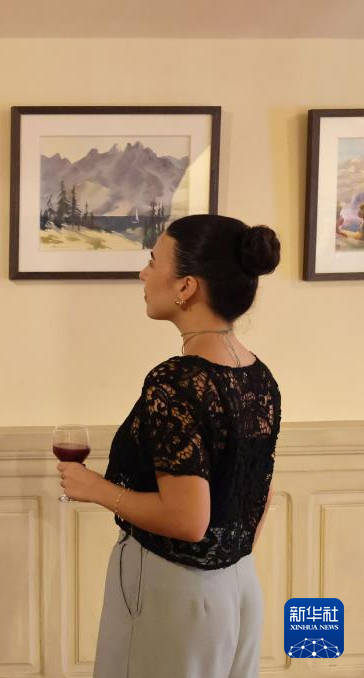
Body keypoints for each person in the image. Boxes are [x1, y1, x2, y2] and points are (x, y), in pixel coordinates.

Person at [58, 214, 282, 678]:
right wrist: (224, 563)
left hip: (172, 590)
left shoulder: (176, 381)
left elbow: (187, 520)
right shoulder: (257, 376)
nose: (143, 274)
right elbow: (261, 492)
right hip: (238, 586)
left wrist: (94, 489)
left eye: (153, 262)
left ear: (185, 287)